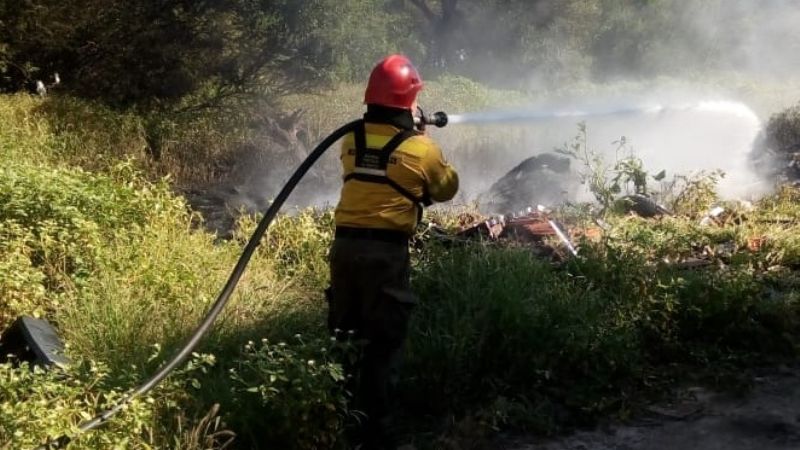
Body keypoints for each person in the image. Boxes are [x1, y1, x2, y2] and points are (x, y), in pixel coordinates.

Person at [327, 54, 459, 449]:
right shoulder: (422, 150)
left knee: (344, 337)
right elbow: (446, 189)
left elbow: (374, 172)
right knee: (383, 343)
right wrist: (425, 138)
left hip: (344, 249)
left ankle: (338, 423)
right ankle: (379, 436)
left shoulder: (352, 140)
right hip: (385, 255)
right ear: (408, 101)